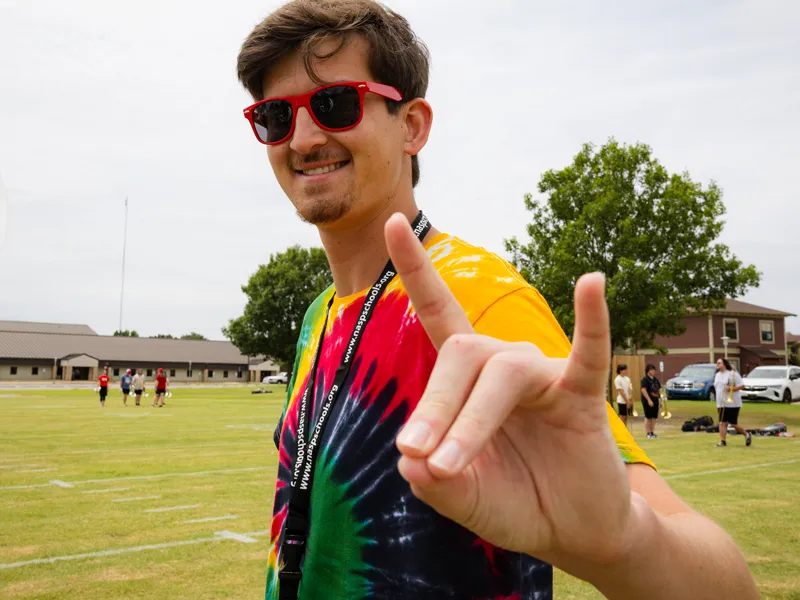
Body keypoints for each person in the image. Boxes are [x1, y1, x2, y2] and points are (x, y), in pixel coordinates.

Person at [236, 2, 757, 598]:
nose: (302, 138)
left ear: (412, 125)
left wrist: (625, 545)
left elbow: (724, 584)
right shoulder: (319, 315)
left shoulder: (481, 299)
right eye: (276, 115)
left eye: (334, 103)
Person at [714, 358, 751, 447]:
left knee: (733, 423)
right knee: (722, 422)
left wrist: (731, 389)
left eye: (719, 363)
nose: (717, 364)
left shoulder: (732, 374)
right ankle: (723, 441)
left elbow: (742, 386)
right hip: (721, 403)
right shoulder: (717, 375)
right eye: (717, 363)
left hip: (733, 403)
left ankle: (747, 435)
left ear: (724, 364)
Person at [640, 363, 661, 439]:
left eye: (654, 369)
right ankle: (648, 433)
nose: (653, 371)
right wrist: (649, 400)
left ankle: (652, 432)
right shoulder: (645, 379)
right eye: (651, 370)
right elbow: (643, 390)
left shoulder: (655, 380)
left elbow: (658, 390)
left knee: (654, 417)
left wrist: (660, 399)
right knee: (648, 417)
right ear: (648, 371)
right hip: (647, 400)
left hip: (655, 400)